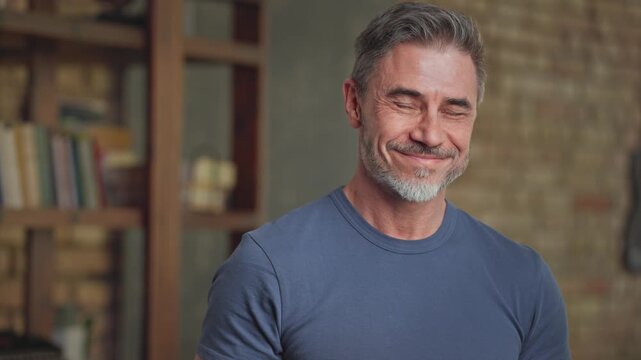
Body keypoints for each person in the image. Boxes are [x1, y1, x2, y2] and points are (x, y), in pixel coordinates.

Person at [195, 2, 570, 359]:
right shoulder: (266, 270)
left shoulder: (525, 280)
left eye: (454, 110)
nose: (431, 134)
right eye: (406, 103)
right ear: (354, 103)